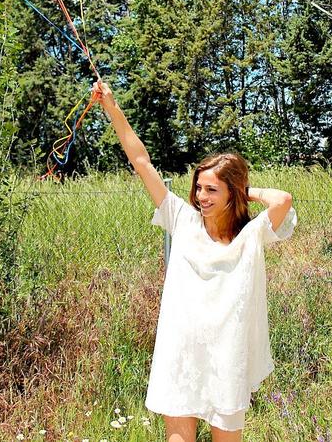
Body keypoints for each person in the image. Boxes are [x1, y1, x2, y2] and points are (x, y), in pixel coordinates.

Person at [92, 80, 297, 442]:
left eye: (212, 189)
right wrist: (112, 108)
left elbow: (282, 200)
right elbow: (141, 161)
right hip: (182, 349)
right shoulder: (181, 220)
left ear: (232, 193)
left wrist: (242, 190)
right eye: (199, 188)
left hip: (228, 355)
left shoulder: (251, 234)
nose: (201, 196)